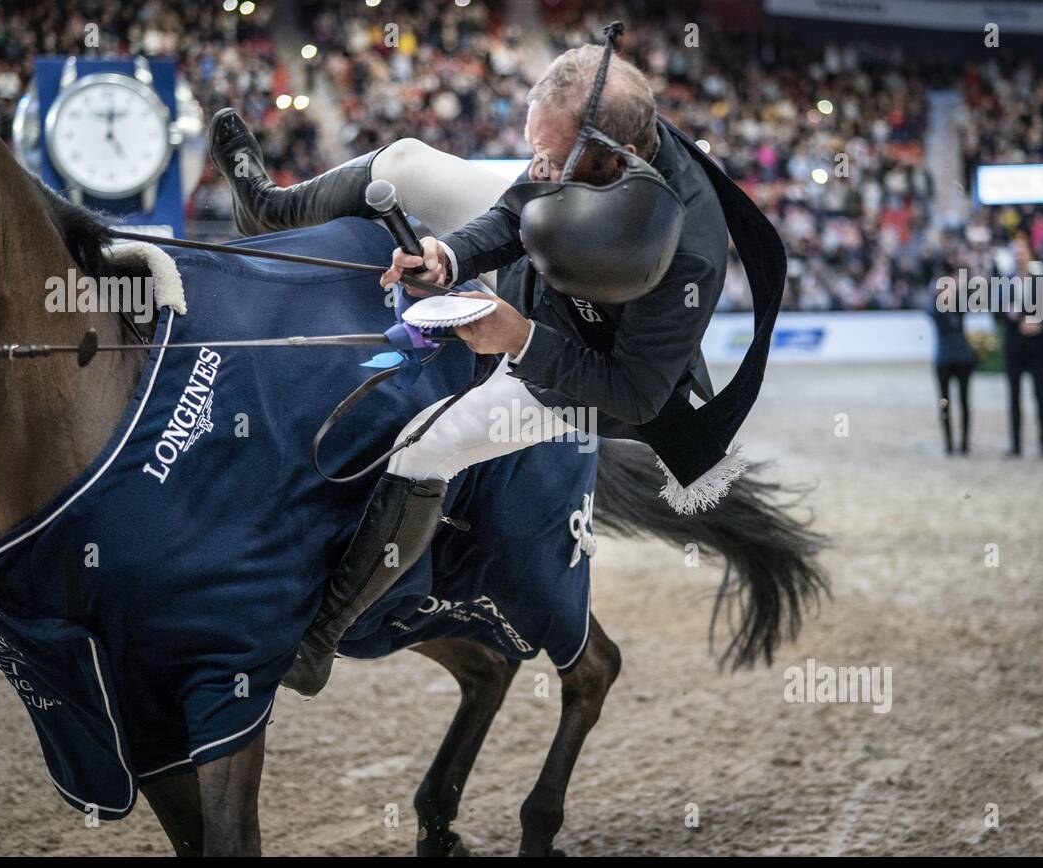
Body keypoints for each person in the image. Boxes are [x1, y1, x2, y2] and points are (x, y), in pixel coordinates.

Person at [207, 24, 787, 697]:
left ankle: (322, 636)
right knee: (404, 164)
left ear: (619, 156)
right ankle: (269, 210)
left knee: (425, 450)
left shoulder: (689, 256)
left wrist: (520, 340)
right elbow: (521, 207)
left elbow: (634, 394)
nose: (536, 164)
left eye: (550, 154)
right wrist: (448, 256)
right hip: (550, 280)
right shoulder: (581, 157)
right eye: (534, 150)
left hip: (590, 369)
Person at [999, 240, 1043, 458]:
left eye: (1023, 253)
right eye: (1016, 254)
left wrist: (1039, 323)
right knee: (1013, 398)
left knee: (1040, 396)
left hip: (1036, 347)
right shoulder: (1004, 282)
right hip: (1014, 347)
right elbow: (996, 313)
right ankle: (1016, 444)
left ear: (1030, 256)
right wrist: (1007, 315)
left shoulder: (1042, 281)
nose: (1019, 257)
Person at [927, 265, 977, 455]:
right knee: (944, 401)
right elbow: (930, 311)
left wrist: (960, 287)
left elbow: (975, 299)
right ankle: (948, 443)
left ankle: (964, 443)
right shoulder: (936, 304)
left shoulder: (960, 302)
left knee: (964, 401)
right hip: (944, 358)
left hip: (962, 357)